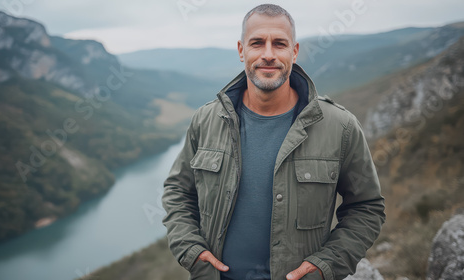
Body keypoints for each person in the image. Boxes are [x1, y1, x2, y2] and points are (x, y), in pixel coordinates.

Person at [162, 4, 385, 280]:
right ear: (242, 50)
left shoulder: (340, 127)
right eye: (257, 43)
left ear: (294, 51)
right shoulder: (206, 120)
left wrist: (327, 265)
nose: (268, 55)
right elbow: (177, 191)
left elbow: (367, 207)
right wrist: (190, 250)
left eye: (279, 44)